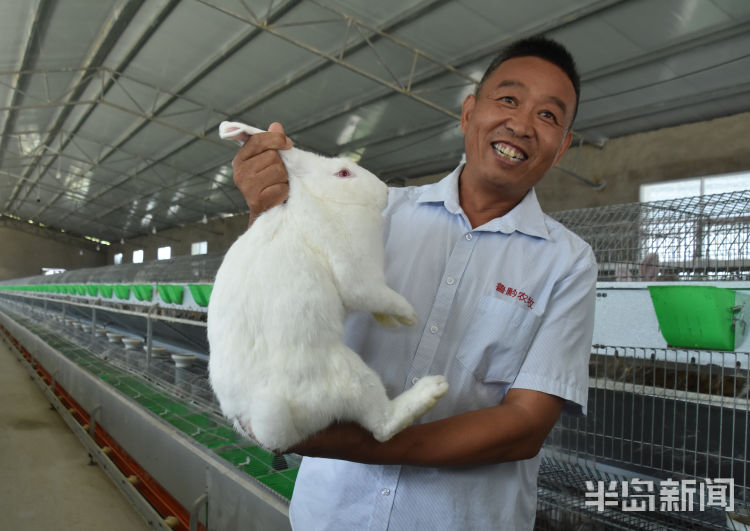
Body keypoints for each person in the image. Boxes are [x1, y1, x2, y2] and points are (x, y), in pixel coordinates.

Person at [230, 36, 597, 531]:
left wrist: (350, 441)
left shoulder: (567, 262)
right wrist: (267, 215)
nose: (522, 124)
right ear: (469, 113)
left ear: (562, 148)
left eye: (549, 116)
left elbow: (523, 427)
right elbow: (284, 311)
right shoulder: (375, 211)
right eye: (508, 99)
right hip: (332, 517)